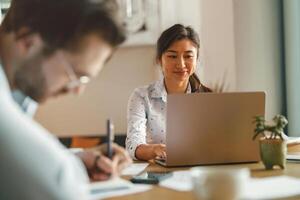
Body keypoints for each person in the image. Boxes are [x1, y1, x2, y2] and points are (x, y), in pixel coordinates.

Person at [0, 0, 132, 199]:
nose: (77, 90)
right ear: (28, 41)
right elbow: (59, 182)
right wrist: (66, 166)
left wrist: (77, 159)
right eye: (75, 74)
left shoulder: (21, 85)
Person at [126, 24, 212, 161]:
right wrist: (155, 149)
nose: (181, 64)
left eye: (188, 56)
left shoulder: (209, 98)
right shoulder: (142, 96)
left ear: (196, 60)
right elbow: (133, 146)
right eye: (172, 56)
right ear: (159, 59)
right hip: (158, 171)